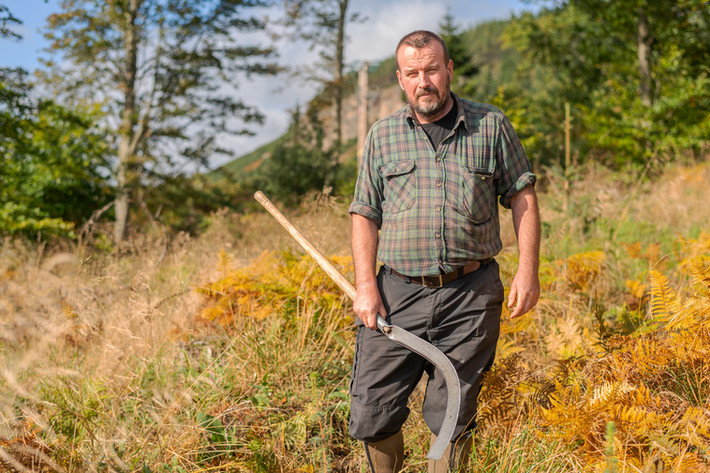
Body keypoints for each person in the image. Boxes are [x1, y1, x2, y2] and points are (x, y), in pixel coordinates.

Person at [348, 30, 541, 472]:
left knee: (451, 417)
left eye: (432, 69)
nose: (424, 81)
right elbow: (364, 213)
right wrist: (365, 286)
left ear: (449, 70)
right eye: (413, 73)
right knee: (371, 414)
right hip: (396, 294)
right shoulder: (383, 136)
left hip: (469, 294)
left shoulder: (489, 126)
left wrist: (527, 271)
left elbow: (523, 198)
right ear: (400, 79)